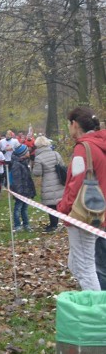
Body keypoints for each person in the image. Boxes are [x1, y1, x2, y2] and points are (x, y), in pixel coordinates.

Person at [57, 107, 106, 292]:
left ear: (74, 124)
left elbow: (76, 182)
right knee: (75, 263)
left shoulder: (83, 148)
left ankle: (97, 311)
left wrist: (63, 209)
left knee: (86, 268)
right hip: (98, 211)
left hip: (82, 213)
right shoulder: (100, 146)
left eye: (69, 125)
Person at [31, 135, 64, 233]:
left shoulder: (39, 157)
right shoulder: (56, 154)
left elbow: (37, 173)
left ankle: (53, 224)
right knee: (59, 202)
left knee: (51, 205)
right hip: (59, 180)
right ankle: (62, 222)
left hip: (48, 182)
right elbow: (62, 165)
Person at [8, 143, 36, 232]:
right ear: (23, 154)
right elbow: (17, 180)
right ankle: (17, 225)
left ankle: (26, 224)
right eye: (27, 150)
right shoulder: (16, 165)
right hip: (20, 191)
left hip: (26, 190)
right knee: (18, 208)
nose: (29, 151)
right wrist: (19, 193)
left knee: (25, 209)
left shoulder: (24, 162)